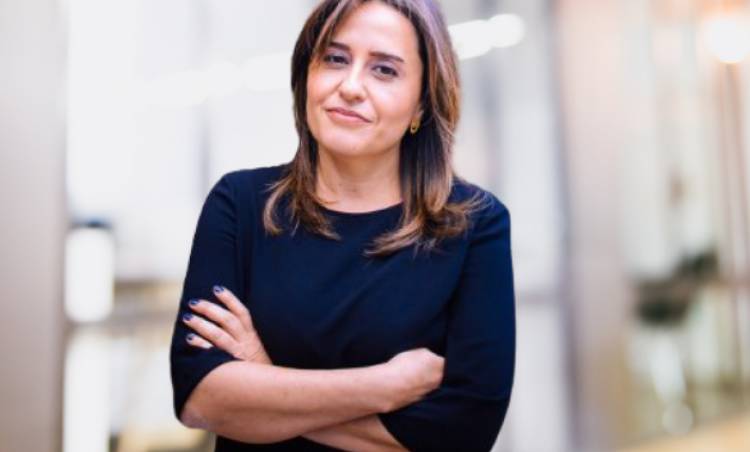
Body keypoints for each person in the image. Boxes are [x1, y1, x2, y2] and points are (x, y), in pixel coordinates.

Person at [169, 0, 516, 450]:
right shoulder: (241, 204)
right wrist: (384, 386)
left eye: (384, 70)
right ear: (306, 77)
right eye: (335, 59)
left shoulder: (475, 223)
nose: (351, 87)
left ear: (421, 104)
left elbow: (462, 436)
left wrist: (263, 377)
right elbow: (201, 399)